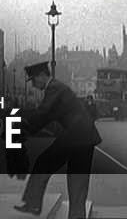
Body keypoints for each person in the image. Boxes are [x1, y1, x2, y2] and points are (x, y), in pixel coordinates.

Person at [13, 62, 102, 219]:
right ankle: (76, 216)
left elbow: (42, 114)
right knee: (78, 180)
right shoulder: (58, 88)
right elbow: (46, 117)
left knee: (43, 163)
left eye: (34, 80)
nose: (33, 84)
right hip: (85, 136)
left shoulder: (54, 88)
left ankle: (33, 204)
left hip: (74, 135)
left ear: (42, 75)